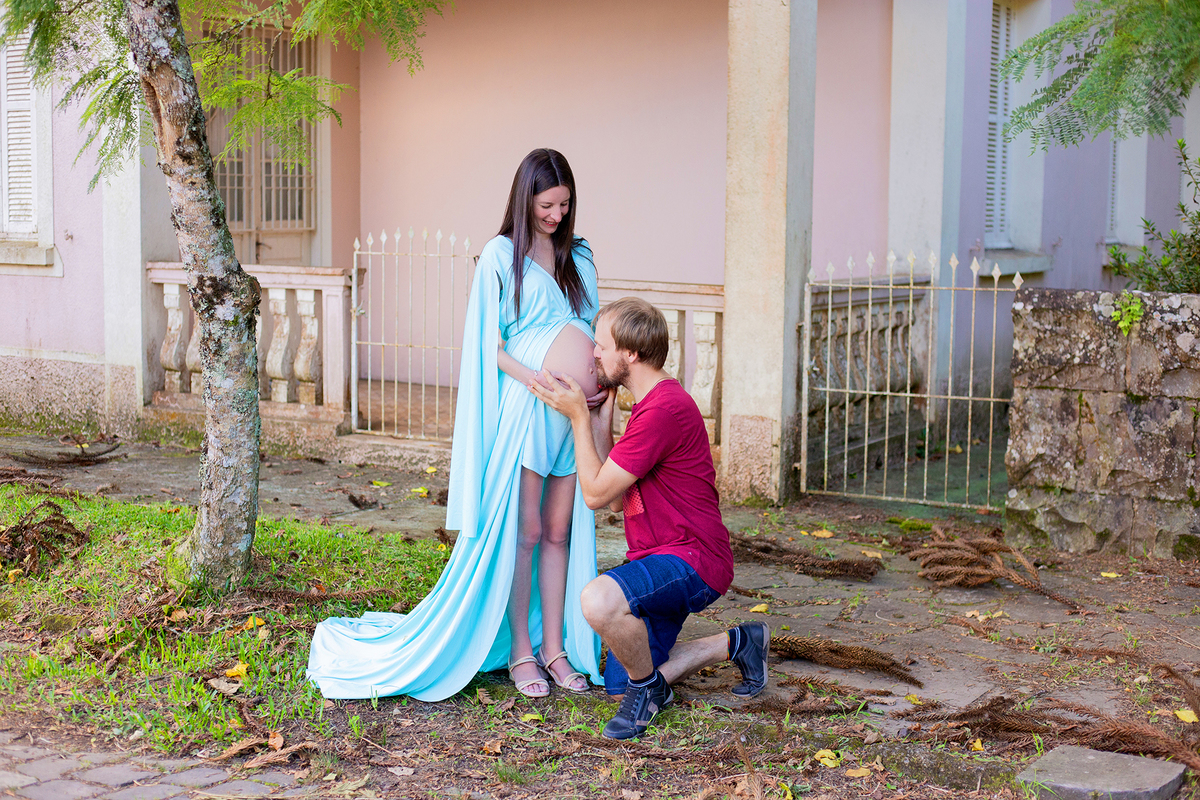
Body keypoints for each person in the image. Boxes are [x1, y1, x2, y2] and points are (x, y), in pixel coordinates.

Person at [306, 149, 603, 701]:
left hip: (575, 416)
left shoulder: (579, 258)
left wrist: (596, 389)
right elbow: (487, 347)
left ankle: (557, 648)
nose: (557, 215)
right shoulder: (499, 255)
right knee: (527, 533)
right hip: (531, 409)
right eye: (547, 205)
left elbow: (594, 331)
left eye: (564, 205)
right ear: (525, 199)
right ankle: (519, 651)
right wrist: (540, 378)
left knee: (562, 532)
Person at [531, 296, 769, 740]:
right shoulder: (648, 407)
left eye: (601, 345)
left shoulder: (663, 410)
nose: (593, 353)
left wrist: (579, 418)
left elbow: (594, 494)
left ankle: (647, 694)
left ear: (631, 354)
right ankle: (737, 643)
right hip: (659, 560)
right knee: (621, 679)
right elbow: (618, 500)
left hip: (691, 560)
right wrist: (602, 420)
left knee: (599, 601)